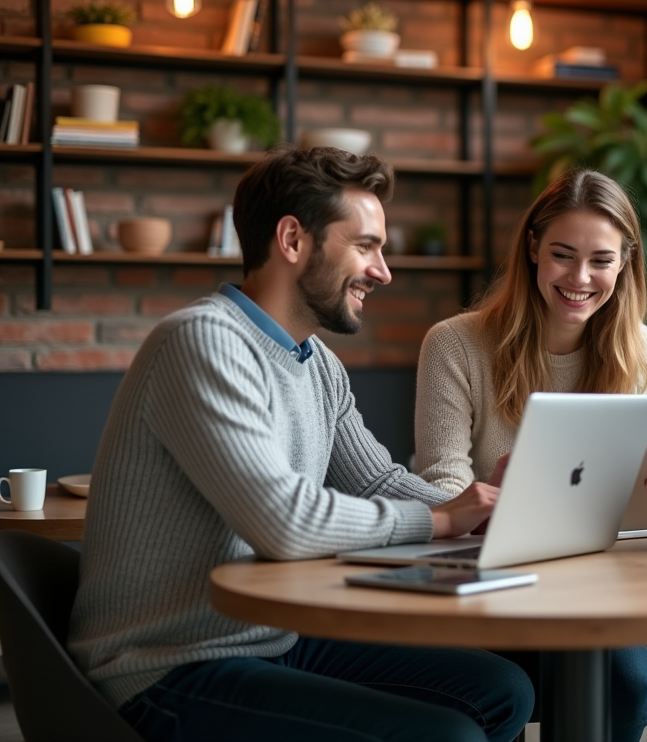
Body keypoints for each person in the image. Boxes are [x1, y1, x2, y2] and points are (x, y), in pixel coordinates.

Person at [67, 146, 534, 742]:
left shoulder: (317, 364)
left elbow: (377, 482)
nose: (383, 271)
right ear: (292, 240)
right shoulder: (202, 341)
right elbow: (285, 522)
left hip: (272, 641)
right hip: (171, 664)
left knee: (502, 690)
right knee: (448, 734)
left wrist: (486, 511)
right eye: (365, 245)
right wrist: (441, 520)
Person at [413, 167, 647, 742]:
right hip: (488, 576)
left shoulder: (641, 350)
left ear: (624, 263)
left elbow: (624, 482)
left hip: (590, 580)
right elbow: (441, 480)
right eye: (563, 255)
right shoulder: (455, 343)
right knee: (504, 686)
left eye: (601, 260)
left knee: (625, 681)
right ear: (532, 248)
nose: (581, 277)